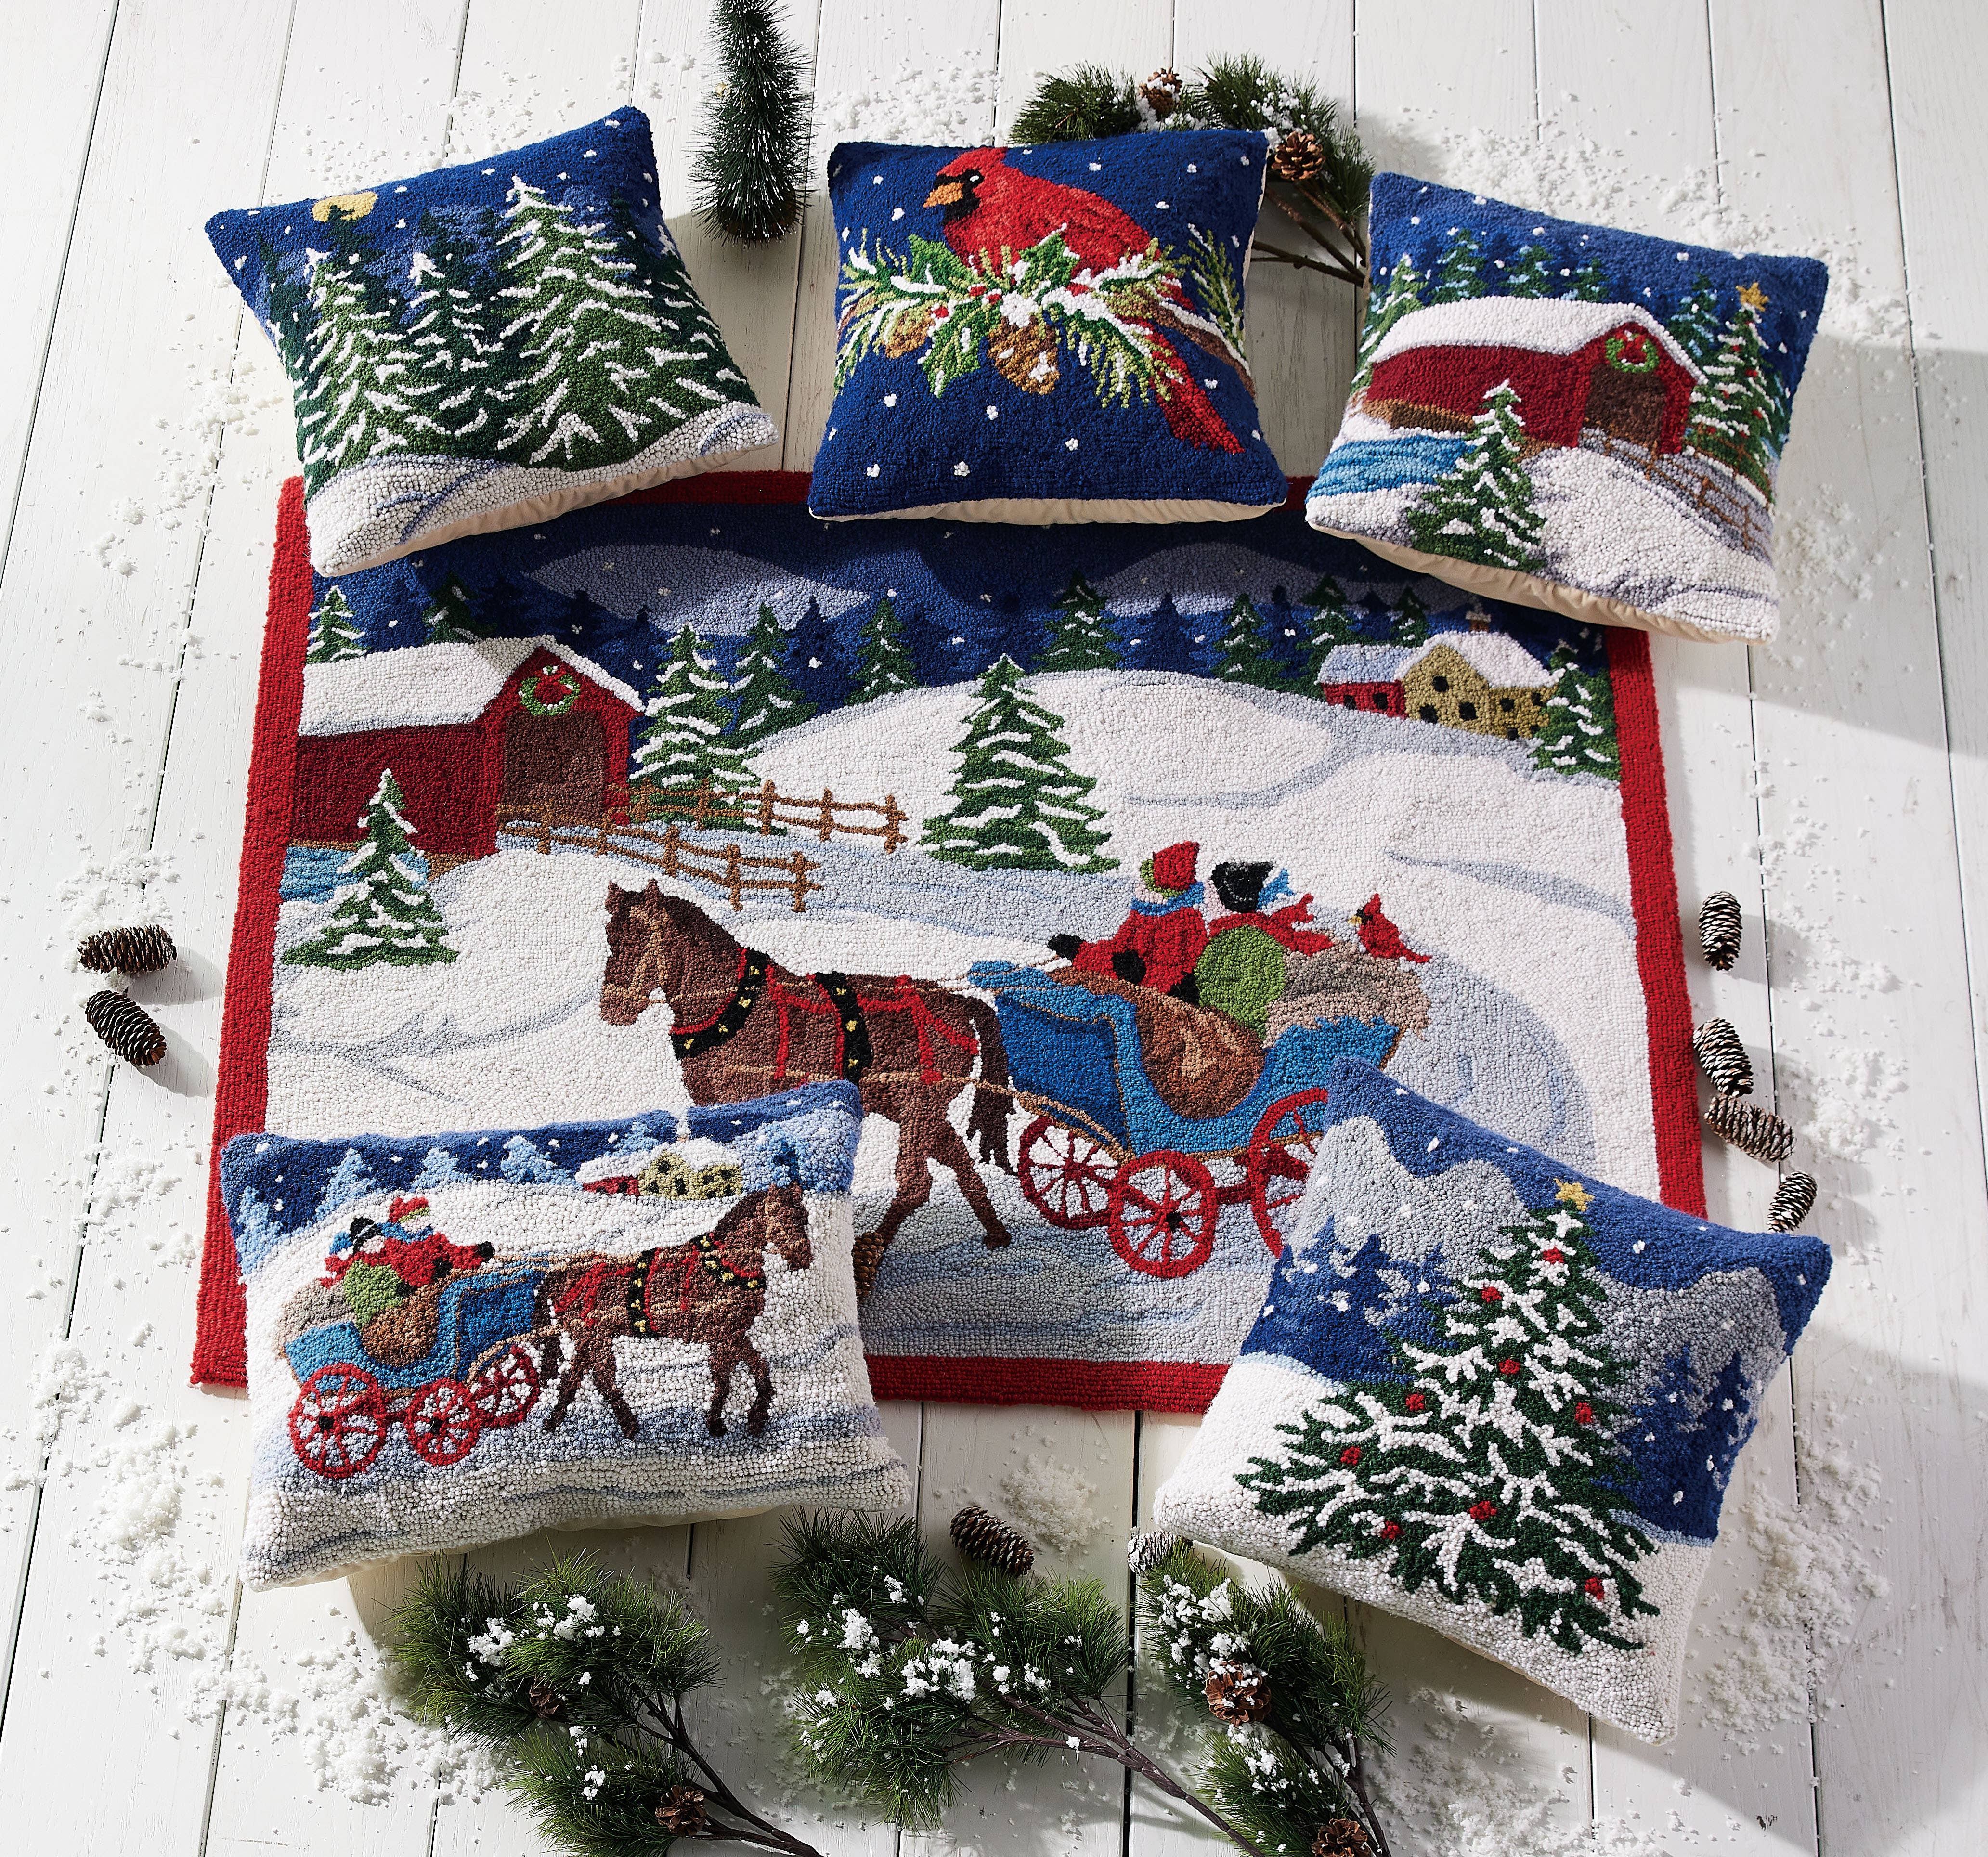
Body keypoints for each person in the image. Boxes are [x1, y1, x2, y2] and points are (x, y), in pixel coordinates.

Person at [1049, 840, 1209, 998]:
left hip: (1166, 975)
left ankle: (1085, 953)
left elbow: (1190, 956)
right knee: (1113, 959)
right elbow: (1121, 942)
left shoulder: (1187, 917)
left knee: (1130, 967)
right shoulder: (1143, 910)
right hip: (1135, 964)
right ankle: (1079, 950)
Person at [1191, 862, 1334, 1037]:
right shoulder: (1270, 931)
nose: (1206, 894)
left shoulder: (1218, 943)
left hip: (1230, 1026)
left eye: (1210, 889)